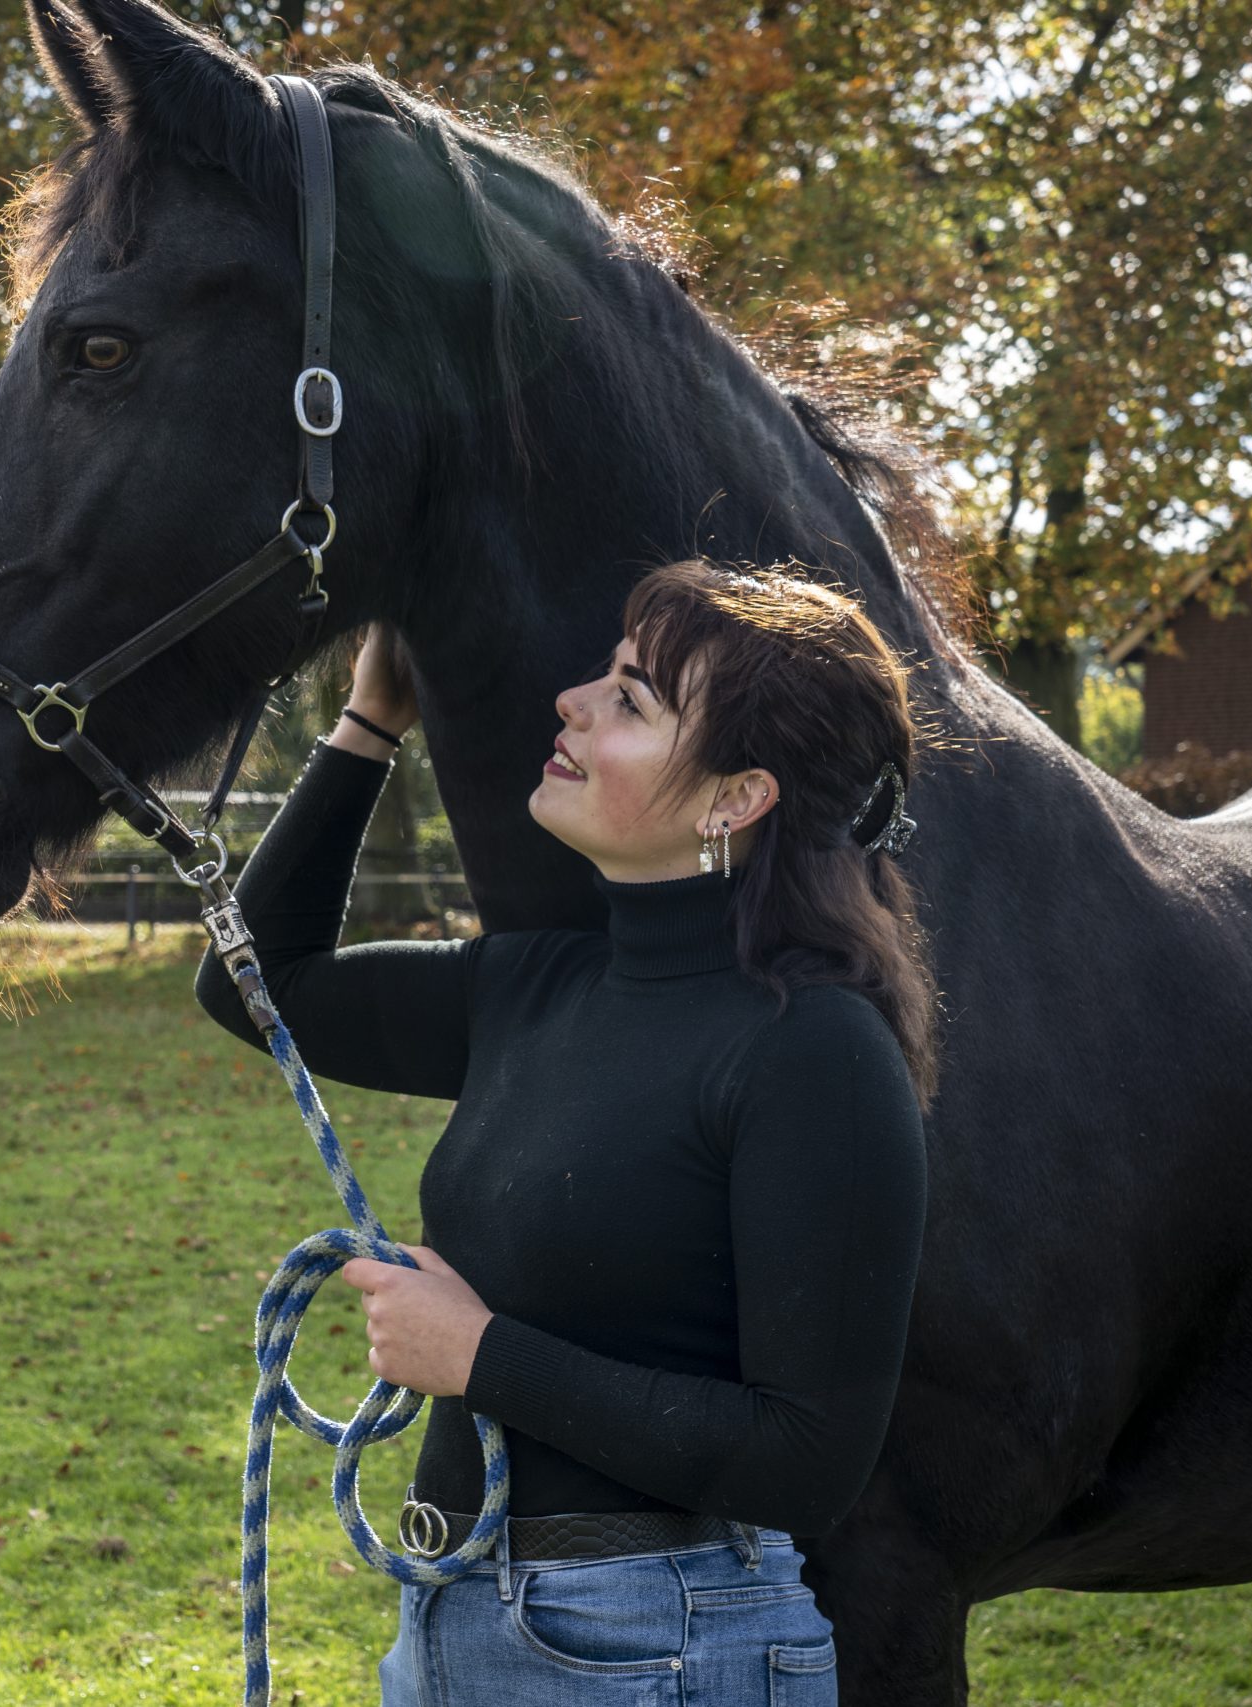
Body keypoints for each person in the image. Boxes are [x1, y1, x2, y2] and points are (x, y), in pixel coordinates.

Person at [192, 558, 935, 1705]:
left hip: (657, 1648)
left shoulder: (815, 1055)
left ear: (736, 798)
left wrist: (480, 1355)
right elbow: (258, 983)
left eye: (631, 698)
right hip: (455, 1614)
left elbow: (807, 1459)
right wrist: (368, 720)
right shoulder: (534, 986)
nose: (572, 702)